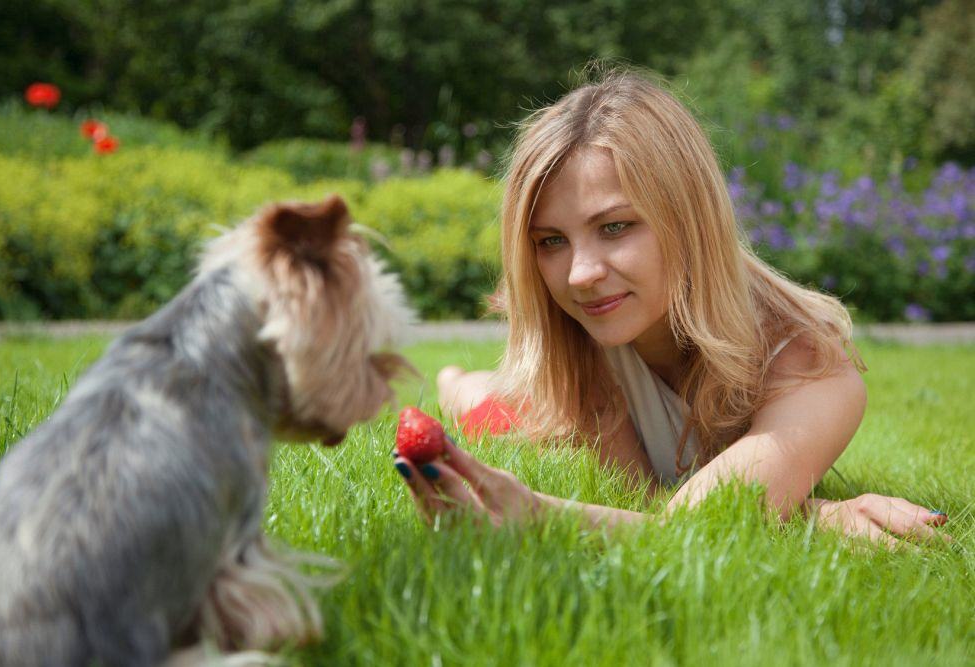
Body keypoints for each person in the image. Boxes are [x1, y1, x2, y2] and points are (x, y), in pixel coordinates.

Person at [392, 70, 949, 548]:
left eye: (615, 227)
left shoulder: (810, 366)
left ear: (690, 221)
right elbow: (654, 503)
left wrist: (538, 516)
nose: (580, 274)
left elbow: (694, 527)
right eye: (551, 241)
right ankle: (455, 382)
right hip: (533, 394)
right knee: (483, 403)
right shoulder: (587, 337)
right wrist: (817, 515)